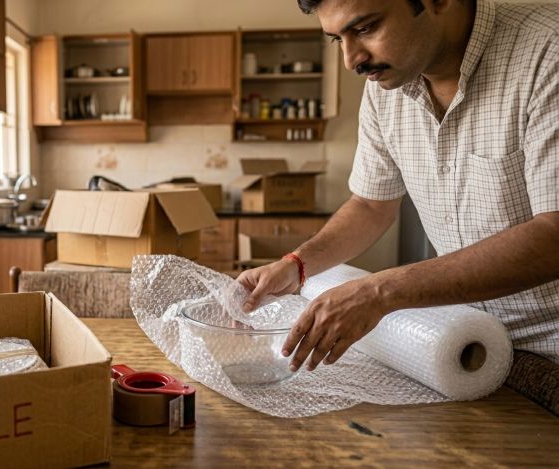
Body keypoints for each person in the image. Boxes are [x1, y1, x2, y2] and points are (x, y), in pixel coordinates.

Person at [238, 0, 559, 372]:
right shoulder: (386, 87)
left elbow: (554, 235)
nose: (351, 59)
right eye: (336, 39)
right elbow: (371, 205)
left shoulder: (547, 50)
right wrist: (296, 265)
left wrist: (380, 291)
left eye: (365, 28)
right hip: (473, 342)